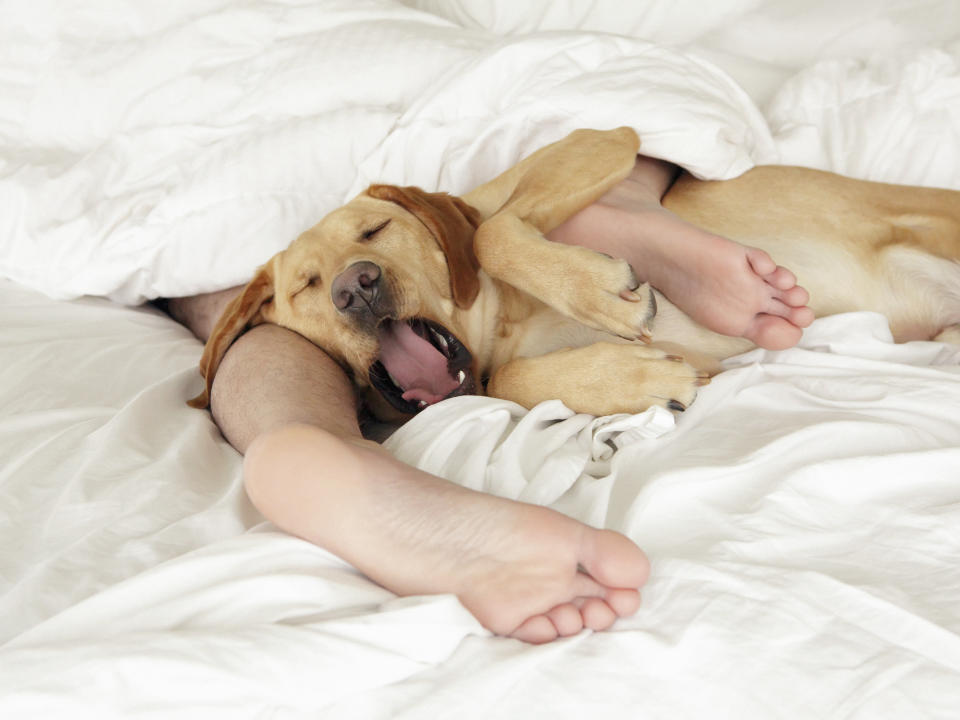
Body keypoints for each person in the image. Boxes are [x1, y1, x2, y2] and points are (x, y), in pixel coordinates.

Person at [165, 156, 813, 644]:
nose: (351, 280)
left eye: (375, 234)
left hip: (485, 154)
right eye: (312, 282)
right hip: (207, 213)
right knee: (235, 306)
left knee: (227, 297)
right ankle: (323, 461)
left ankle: (300, 445)